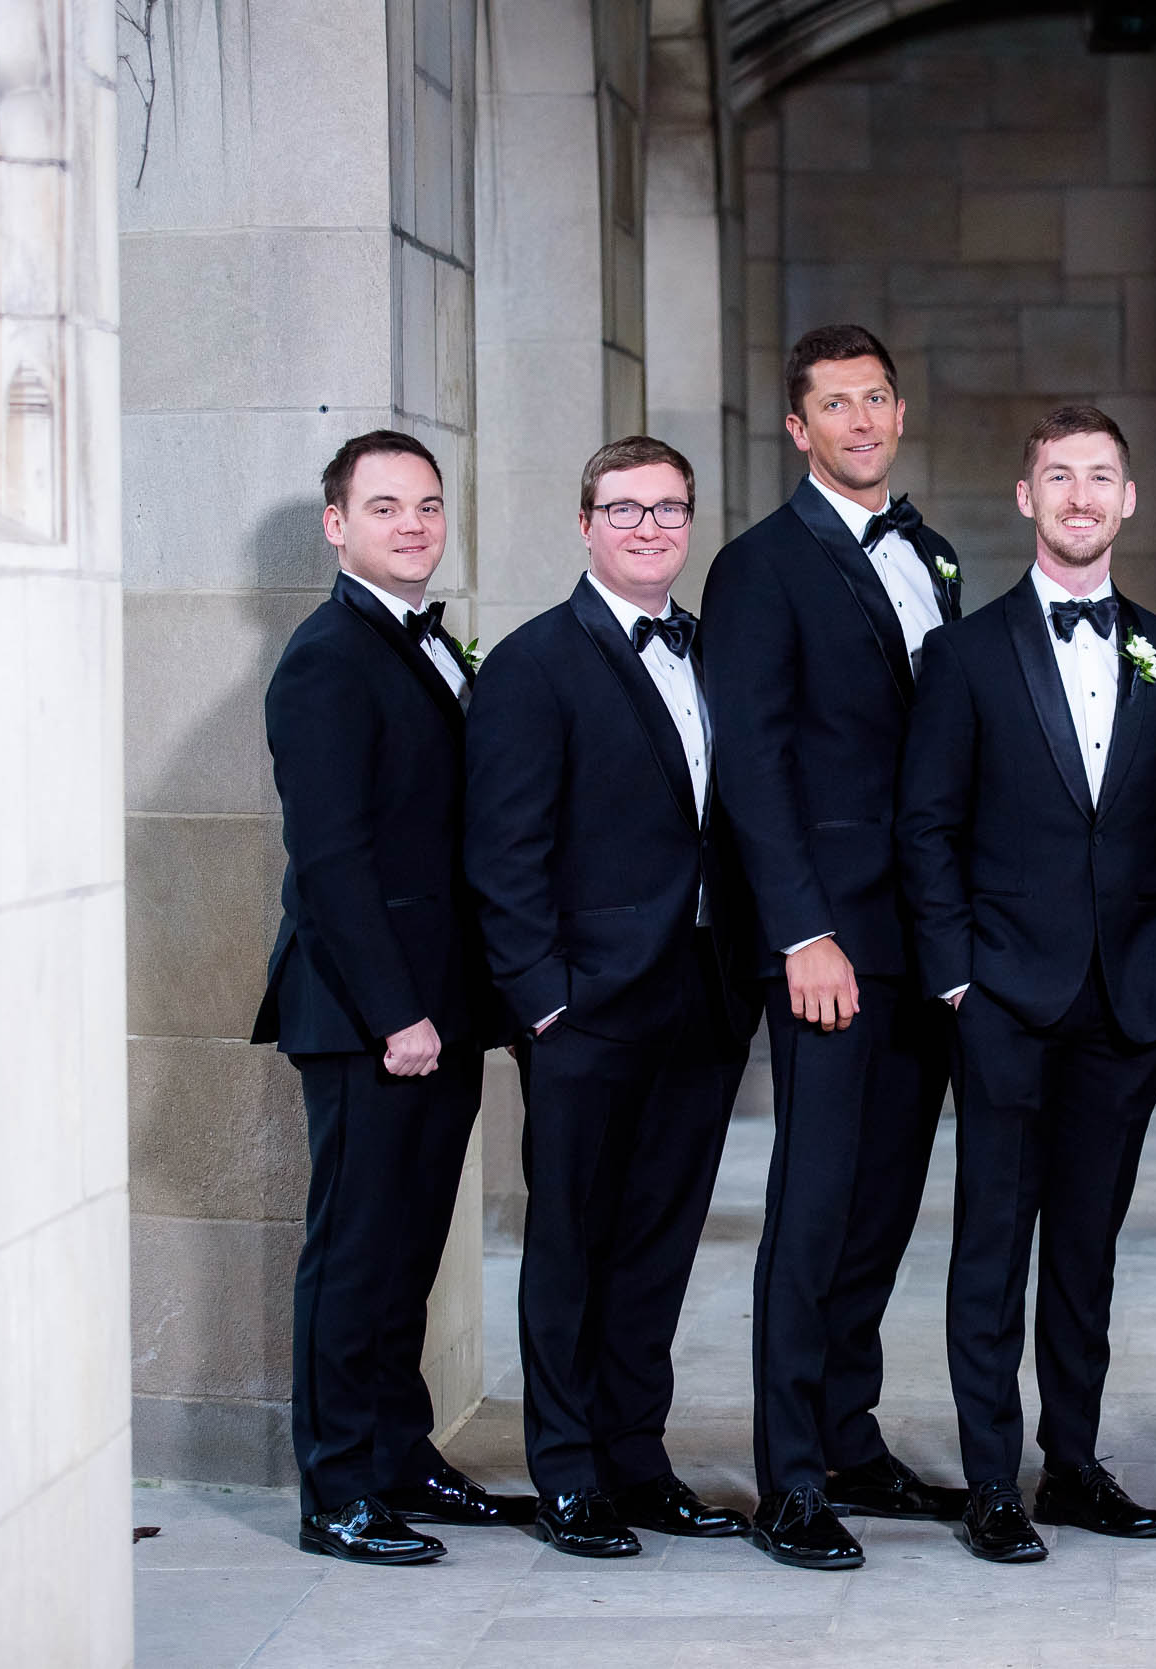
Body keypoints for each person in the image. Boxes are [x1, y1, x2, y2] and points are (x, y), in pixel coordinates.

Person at [896, 406, 1156, 1563]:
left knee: (1088, 1249)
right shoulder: (966, 655)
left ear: (1128, 500)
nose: (1080, 497)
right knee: (991, 1243)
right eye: (1058, 477)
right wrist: (957, 985)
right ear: (1024, 497)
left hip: (1128, 1006)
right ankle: (992, 1479)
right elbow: (924, 828)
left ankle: (1073, 1466)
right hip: (1002, 1002)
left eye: (1101, 479)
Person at [464, 436, 761, 1559]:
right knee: (572, 1247)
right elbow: (500, 850)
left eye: (668, 510)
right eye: (624, 509)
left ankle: (638, 1460)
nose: (648, 528)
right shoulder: (537, 661)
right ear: (583, 523)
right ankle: (570, 1475)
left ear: (690, 524)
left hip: (701, 999)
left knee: (659, 1245)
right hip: (585, 1009)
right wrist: (543, 1002)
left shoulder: (714, 654)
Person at [700, 325, 966, 1570]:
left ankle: (849, 1433)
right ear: (797, 430)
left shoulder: (936, 555)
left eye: (875, 399)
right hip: (828, 943)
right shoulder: (759, 568)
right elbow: (750, 762)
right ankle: (791, 1479)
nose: (859, 421)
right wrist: (802, 929)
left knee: (882, 1203)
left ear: (898, 414)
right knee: (812, 1206)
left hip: (922, 937)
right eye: (832, 406)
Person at [254, 430, 527, 1565]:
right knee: (355, 1255)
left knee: (410, 1250)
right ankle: (335, 1494)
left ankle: (400, 1454)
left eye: (426, 504)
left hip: (439, 1007)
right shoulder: (326, 658)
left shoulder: (424, 644)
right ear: (337, 524)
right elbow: (331, 860)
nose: (411, 523)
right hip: (373, 1015)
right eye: (384, 507)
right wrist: (393, 1014)